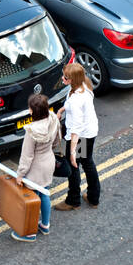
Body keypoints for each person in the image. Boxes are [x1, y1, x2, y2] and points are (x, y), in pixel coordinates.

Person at [13, 94, 61, 241]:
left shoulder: (31, 131)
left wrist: (20, 174)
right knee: (44, 192)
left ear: (33, 111)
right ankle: (45, 225)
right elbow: (57, 140)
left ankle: (30, 232)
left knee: (33, 199)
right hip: (49, 161)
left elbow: (27, 157)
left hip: (35, 169)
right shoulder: (53, 119)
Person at [54, 62, 100, 211]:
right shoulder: (83, 84)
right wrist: (61, 110)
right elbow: (71, 104)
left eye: (66, 77)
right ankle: (93, 197)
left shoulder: (75, 101)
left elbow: (75, 131)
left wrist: (73, 153)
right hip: (89, 131)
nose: (63, 78)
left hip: (81, 136)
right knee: (87, 163)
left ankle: (73, 200)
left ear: (72, 80)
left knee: (73, 168)